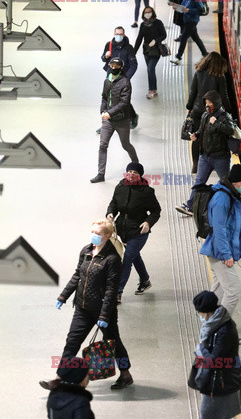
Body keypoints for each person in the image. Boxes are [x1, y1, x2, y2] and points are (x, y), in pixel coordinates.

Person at [40, 219, 133, 391]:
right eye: (92, 232)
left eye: (97, 233)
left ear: (107, 236)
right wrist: (63, 296)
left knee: (114, 344)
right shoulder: (86, 251)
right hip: (82, 308)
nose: (93, 236)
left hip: (102, 311)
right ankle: (59, 378)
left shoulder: (112, 259)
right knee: (72, 342)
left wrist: (105, 315)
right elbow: (78, 275)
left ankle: (126, 374)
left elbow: (111, 290)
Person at [106, 163, 161, 303]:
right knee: (135, 256)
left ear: (140, 175)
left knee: (127, 259)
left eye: (135, 172)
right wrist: (111, 213)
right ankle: (145, 280)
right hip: (122, 231)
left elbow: (156, 211)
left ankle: (118, 292)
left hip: (138, 232)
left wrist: (148, 223)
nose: (131, 174)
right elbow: (113, 203)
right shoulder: (120, 187)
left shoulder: (147, 192)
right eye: (129, 171)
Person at [201, 164, 241, 315]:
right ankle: (219, 329)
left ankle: (209, 329)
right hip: (219, 252)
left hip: (217, 251)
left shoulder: (230, 194)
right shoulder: (223, 199)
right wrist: (227, 254)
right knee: (233, 293)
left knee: (216, 295)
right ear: (236, 182)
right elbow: (219, 229)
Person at [176, 90, 234, 216]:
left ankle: (231, 208)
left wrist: (217, 123)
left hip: (220, 158)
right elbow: (201, 130)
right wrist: (196, 135)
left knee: (226, 183)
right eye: (206, 102)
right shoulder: (205, 115)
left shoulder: (224, 116)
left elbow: (230, 130)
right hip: (205, 156)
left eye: (210, 102)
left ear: (216, 103)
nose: (208, 105)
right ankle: (190, 206)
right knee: (199, 182)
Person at [188, 291, 241, 419]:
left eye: (199, 312)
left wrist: (201, 347)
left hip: (222, 382)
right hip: (219, 379)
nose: (199, 315)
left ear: (206, 312)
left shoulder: (225, 331)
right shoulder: (215, 322)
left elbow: (213, 361)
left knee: (209, 415)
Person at [90, 57, 139, 184]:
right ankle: (101, 174)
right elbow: (104, 97)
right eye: (111, 64)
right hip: (108, 120)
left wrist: (109, 113)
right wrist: (102, 111)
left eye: (116, 65)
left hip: (122, 120)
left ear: (121, 67)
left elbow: (124, 102)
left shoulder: (126, 82)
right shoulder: (107, 81)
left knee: (125, 145)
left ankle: (136, 165)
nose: (113, 67)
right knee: (103, 145)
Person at [186, 52, 231, 173]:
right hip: (212, 112)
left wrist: (189, 106)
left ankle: (196, 165)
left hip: (197, 111)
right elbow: (224, 96)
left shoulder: (198, 73)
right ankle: (213, 163)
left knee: (196, 137)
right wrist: (229, 111)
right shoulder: (220, 77)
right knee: (213, 136)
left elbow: (192, 92)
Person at [100, 26, 138, 132]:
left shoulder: (129, 48)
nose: (118, 36)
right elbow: (103, 59)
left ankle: (133, 116)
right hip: (110, 76)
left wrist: (127, 78)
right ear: (114, 34)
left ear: (124, 35)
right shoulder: (109, 45)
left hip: (122, 77)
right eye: (117, 34)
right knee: (108, 98)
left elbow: (133, 64)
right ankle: (105, 122)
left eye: (121, 34)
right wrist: (106, 56)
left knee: (122, 100)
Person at [170, 0, 208, 65]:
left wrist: (188, 10)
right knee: (196, 38)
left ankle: (178, 57)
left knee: (183, 38)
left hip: (192, 20)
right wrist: (177, 8)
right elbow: (183, 6)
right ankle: (205, 54)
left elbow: (200, 9)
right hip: (187, 20)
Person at [134, 6, 167, 99]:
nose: (148, 14)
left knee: (150, 68)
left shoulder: (158, 23)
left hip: (156, 50)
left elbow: (164, 35)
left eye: (149, 12)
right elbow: (139, 38)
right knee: (150, 69)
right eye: (146, 12)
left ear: (153, 13)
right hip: (146, 50)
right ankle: (155, 89)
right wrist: (134, 51)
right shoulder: (143, 25)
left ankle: (151, 90)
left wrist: (156, 41)